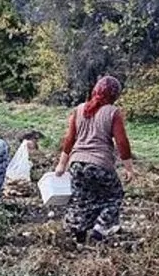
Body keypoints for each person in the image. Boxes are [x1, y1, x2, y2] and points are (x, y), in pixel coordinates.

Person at [54, 75, 135, 243]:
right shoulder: (113, 112)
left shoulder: (79, 109)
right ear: (114, 95)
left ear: (95, 90)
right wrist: (128, 168)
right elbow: (121, 142)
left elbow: (69, 139)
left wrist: (62, 164)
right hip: (99, 164)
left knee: (82, 199)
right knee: (114, 196)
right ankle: (100, 228)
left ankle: (79, 232)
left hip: (76, 164)